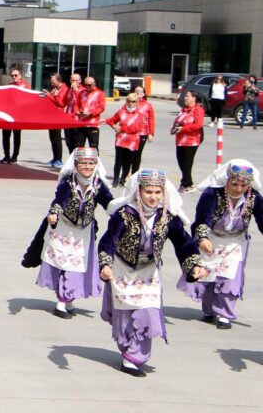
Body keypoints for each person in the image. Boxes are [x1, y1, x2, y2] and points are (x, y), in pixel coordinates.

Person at [97, 169, 205, 377]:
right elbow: (108, 241)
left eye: (157, 192)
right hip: (122, 270)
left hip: (149, 272)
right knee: (126, 314)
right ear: (138, 191)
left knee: (148, 312)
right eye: (148, 192)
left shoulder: (167, 217)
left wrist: (193, 265)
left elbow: (183, 243)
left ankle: (134, 357)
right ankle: (127, 350)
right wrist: (105, 264)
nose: (153, 197)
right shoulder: (124, 215)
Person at [24, 148, 113, 318]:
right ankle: (62, 302)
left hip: (83, 233)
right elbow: (60, 200)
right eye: (83, 163)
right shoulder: (68, 183)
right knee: (64, 265)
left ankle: (67, 299)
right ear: (76, 165)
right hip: (63, 230)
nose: (87, 166)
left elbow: (108, 202)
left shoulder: (98, 185)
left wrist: (120, 213)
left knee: (77, 266)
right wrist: (54, 213)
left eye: (91, 163)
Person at [177, 160, 263, 330]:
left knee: (230, 277)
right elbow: (203, 217)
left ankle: (224, 314)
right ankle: (209, 310)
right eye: (234, 184)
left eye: (243, 185)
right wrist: (202, 238)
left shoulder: (254, 197)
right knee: (208, 277)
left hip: (235, 242)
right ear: (227, 180)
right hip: (211, 239)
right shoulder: (212, 194)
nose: (238, 189)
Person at [105, 94, 146, 187]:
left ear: (136, 102)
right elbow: (111, 120)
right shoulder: (121, 112)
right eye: (129, 101)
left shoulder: (140, 115)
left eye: (133, 102)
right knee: (118, 161)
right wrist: (114, 127)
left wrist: (122, 129)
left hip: (132, 141)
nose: (131, 103)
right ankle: (116, 179)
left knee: (127, 162)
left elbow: (137, 128)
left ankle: (123, 179)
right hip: (121, 140)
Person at [173, 91, 205, 193]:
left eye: (187, 96)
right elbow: (178, 121)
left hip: (191, 141)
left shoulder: (198, 109)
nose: (185, 98)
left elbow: (198, 125)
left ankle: (187, 184)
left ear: (194, 98)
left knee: (187, 163)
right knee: (181, 162)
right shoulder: (183, 109)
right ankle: (186, 183)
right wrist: (174, 128)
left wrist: (183, 129)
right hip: (180, 140)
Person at [1, 69, 26, 164]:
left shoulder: (24, 86)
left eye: (15, 75)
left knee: (16, 136)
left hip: (18, 116)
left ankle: (15, 156)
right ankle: (6, 155)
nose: (14, 77)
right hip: (9, 115)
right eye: (12, 76)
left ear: (20, 75)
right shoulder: (10, 86)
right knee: (5, 135)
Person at [44, 73, 69, 168]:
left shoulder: (64, 90)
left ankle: (59, 159)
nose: (52, 84)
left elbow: (61, 104)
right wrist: (49, 95)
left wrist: (52, 96)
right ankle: (55, 157)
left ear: (59, 81)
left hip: (58, 117)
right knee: (52, 138)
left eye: (53, 82)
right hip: (52, 116)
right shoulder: (55, 89)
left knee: (57, 138)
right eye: (51, 82)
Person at [76, 77, 105, 149]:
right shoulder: (82, 93)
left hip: (93, 125)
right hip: (81, 124)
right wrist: (78, 112)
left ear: (94, 84)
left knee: (93, 147)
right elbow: (77, 105)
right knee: (79, 146)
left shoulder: (100, 93)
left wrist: (90, 113)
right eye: (85, 85)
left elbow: (101, 108)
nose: (87, 87)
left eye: (89, 85)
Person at [131, 86, 155, 173]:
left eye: (140, 91)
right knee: (129, 153)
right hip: (130, 133)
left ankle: (134, 173)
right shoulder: (130, 104)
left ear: (144, 94)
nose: (138, 93)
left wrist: (151, 133)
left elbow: (151, 119)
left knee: (138, 154)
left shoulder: (148, 105)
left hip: (142, 133)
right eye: (136, 91)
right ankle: (125, 173)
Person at [63, 74, 83, 153]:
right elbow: (63, 103)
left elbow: (81, 101)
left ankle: (76, 157)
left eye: (76, 80)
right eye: (72, 80)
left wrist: (75, 90)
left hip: (76, 119)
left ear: (80, 81)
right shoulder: (69, 90)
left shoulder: (82, 90)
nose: (74, 82)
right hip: (68, 117)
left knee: (76, 141)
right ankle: (71, 156)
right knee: (68, 141)